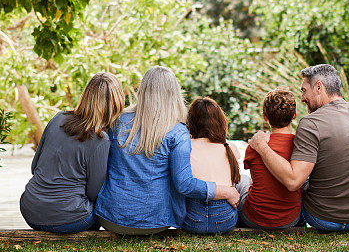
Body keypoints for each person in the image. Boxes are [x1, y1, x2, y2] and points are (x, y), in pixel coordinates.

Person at [94, 66, 240, 235]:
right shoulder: (178, 132)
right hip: (155, 222)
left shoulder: (117, 121)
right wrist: (225, 191)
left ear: (142, 91)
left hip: (110, 218)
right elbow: (185, 184)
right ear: (174, 94)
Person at [248, 64, 349, 232]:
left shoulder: (311, 123)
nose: (302, 98)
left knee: (299, 183)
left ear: (318, 87)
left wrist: (261, 146)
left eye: (304, 90)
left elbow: (293, 181)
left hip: (324, 218)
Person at [20, 72, 125, 233]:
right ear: (115, 104)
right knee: (105, 208)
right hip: (68, 219)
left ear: (85, 95)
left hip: (30, 210)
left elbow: (34, 167)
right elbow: (94, 193)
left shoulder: (58, 119)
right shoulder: (100, 140)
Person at [239, 87, 302, 229]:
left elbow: (255, 178)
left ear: (264, 116)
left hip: (254, 218)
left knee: (243, 181)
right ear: (294, 115)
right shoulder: (300, 146)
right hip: (290, 219)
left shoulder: (255, 145)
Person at [181, 97, 241, 234]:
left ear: (191, 122)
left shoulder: (186, 147)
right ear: (220, 121)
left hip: (192, 219)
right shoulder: (229, 147)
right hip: (225, 219)